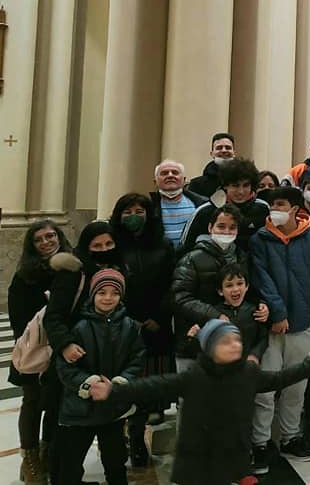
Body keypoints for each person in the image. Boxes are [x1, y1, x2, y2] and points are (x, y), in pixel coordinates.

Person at [89, 319, 310, 485]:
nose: (234, 345)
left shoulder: (247, 373)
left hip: (232, 451)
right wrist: (113, 391)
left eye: (236, 340)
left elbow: (278, 378)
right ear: (210, 349)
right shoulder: (195, 376)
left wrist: (309, 367)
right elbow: (152, 386)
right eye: (225, 342)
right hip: (198, 457)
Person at [249, 187, 310, 472]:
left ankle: (290, 436)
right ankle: (260, 443)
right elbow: (262, 278)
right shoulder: (260, 239)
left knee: (297, 387)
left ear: (295, 209)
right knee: (265, 390)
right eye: (272, 205)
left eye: (280, 204)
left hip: (306, 325)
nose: (274, 209)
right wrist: (278, 314)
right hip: (272, 327)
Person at [55, 268, 144, 485]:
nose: (108, 298)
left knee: (115, 462)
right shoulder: (79, 327)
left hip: (112, 408)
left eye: (114, 293)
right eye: (102, 292)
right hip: (79, 408)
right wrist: (86, 383)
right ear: (92, 294)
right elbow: (65, 366)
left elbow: (137, 360)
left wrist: (121, 382)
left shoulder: (130, 326)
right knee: (71, 464)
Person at [107, 193, 176, 466]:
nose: (133, 215)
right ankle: (116, 440)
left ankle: (137, 440)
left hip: (154, 325)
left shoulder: (163, 245)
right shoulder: (111, 244)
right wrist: (125, 317)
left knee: (146, 389)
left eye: (139, 210)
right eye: (127, 211)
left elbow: (173, 283)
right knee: (121, 385)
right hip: (119, 325)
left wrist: (158, 316)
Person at [8, 220, 71, 485]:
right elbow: (19, 318)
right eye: (39, 239)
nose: (47, 242)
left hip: (64, 348)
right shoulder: (26, 275)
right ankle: (30, 458)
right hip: (35, 350)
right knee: (33, 404)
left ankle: (48, 453)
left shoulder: (72, 269)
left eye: (51, 236)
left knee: (56, 405)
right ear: (31, 245)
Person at [171, 204, 268, 373]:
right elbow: (180, 298)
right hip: (193, 343)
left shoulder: (242, 257)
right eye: (221, 226)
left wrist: (261, 304)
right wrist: (215, 315)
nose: (226, 232)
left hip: (227, 347)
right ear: (210, 227)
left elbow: (250, 290)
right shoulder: (191, 259)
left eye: (232, 228)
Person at [180, 158, 270, 254]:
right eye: (235, 185)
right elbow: (185, 249)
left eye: (246, 185)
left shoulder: (263, 209)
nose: (241, 191)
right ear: (225, 185)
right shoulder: (205, 211)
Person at [150, 159, 204, 246]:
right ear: (155, 181)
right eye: (164, 173)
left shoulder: (201, 204)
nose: (170, 175)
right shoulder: (148, 207)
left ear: (184, 179)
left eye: (175, 172)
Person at [188, 132, 237, 198]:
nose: (224, 150)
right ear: (212, 154)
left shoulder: (247, 179)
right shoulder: (196, 184)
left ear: (234, 153)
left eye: (228, 147)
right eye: (219, 148)